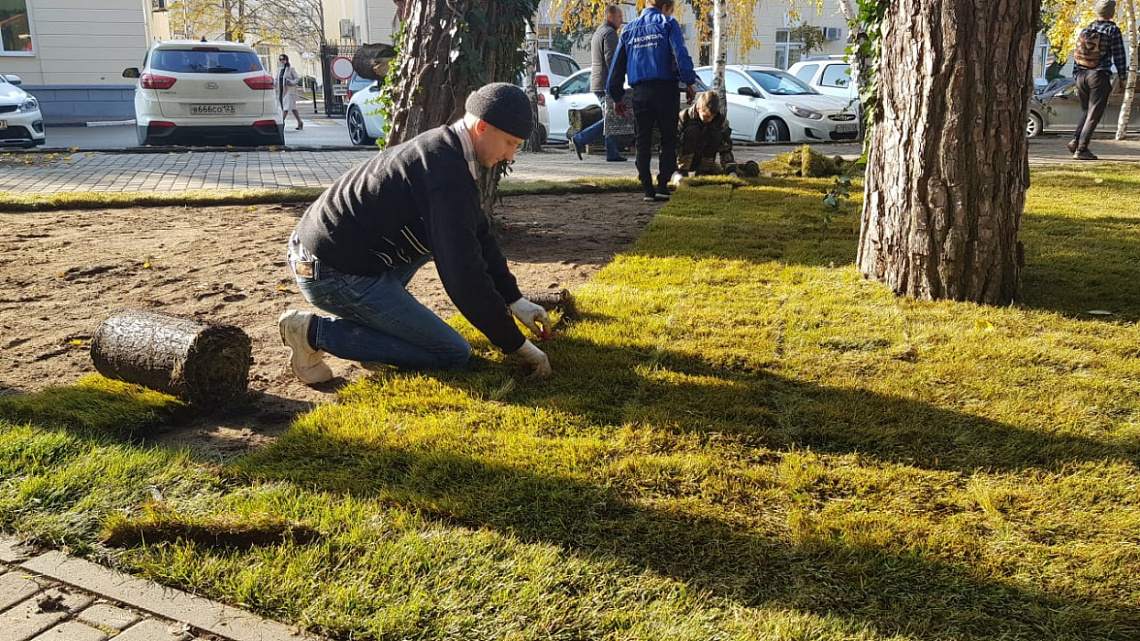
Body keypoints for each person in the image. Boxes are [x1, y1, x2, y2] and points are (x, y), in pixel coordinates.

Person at [278, 83, 552, 384]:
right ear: (482, 126)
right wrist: (516, 345)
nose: (511, 156)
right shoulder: (445, 173)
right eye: (510, 143)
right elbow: (463, 276)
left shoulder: (448, 149)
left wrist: (514, 299)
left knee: (450, 241)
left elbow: (478, 237)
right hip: (329, 271)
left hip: (338, 252)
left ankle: (377, 343)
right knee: (451, 353)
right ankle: (311, 333)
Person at [607, 0, 698, 202]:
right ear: (666, 6)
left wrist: (616, 96)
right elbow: (680, 54)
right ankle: (663, 185)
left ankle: (647, 187)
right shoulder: (668, 24)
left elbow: (617, 66)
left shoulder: (629, 30)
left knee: (642, 140)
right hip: (666, 89)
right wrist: (689, 82)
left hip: (640, 92)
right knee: (668, 139)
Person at [1070, 0, 1126, 161]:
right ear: (1111, 12)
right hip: (1098, 76)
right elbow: (1119, 55)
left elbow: (1077, 54)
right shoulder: (1112, 30)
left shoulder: (1086, 29)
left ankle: (1076, 140)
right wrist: (1122, 77)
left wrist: (1076, 74)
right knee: (1094, 115)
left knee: (1087, 112)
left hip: (1081, 75)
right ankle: (1081, 149)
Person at [570, 5, 627, 162]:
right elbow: (612, 60)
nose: (621, 21)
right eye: (619, 17)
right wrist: (617, 79)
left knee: (610, 117)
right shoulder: (610, 34)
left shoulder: (599, 32)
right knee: (611, 118)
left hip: (598, 81)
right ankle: (581, 138)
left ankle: (611, 152)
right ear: (610, 16)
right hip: (606, 82)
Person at [676, 91, 735, 176]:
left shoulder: (720, 122)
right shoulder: (684, 118)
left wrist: (730, 169)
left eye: (712, 117)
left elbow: (726, 147)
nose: (709, 120)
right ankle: (683, 171)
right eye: (706, 116)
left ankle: (705, 170)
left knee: (715, 132)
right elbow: (671, 143)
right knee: (692, 130)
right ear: (698, 108)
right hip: (682, 161)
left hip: (706, 161)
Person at [277, 54, 304, 131]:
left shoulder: (291, 68)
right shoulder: (279, 69)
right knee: (293, 108)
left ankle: (281, 123)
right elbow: (277, 79)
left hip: (290, 90)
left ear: (286, 59)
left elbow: (297, 78)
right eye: (280, 59)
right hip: (282, 90)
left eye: (283, 59)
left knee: (286, 107)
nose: (282, 61)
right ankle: (300, 122)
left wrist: (291, 82)